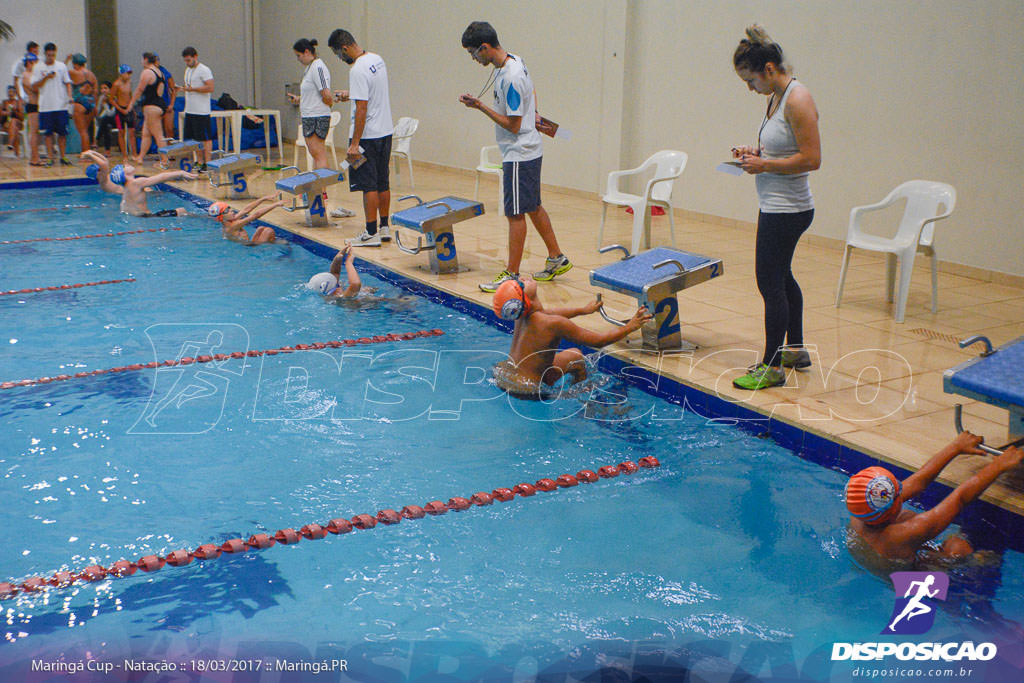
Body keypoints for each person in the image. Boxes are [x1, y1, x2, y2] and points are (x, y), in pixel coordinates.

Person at [730, 25, 821, 390]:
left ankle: (771, 367)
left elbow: (812, 158)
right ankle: (794, 349)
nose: (750, 89)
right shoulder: (776, 97)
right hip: (777, 203)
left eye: (751, 80)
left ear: (769, 68)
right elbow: (787, 148)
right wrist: (757, 154)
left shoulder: (798, 98)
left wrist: (765, 165)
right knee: (782, 277)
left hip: (788, 208)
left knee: (769, 283)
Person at [459, 21, 572, 293]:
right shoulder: (514, 60)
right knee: (533, 205)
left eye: (473, 53)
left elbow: (512, 124)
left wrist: (479, 106)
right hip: (530, 149)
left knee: (515, 213)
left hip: (519, 153)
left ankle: (512, 274)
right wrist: (534, 111)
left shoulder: (510, 77)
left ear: (485, 48)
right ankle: (557, 258)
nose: (473, 59)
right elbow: (530, 91)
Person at [845, 431, 1023, 577]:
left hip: (878, 560)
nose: (902, 488)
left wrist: (956, 447)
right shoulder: (907, 532)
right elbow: (959, 499)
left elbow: (917, 483)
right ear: (891, 507)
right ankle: (973, 565)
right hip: (908, 578)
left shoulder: (861, 510)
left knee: (907, 518)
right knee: (958, 548)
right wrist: (999, 465)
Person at [491, 278, 651, 393]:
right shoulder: (553, 324)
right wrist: (630, 326)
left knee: (571, 356)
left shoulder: (522, 316)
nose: (523, 278)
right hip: (530, 390)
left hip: (506, 379)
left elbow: (549, 313)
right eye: (521, 284)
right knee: (577, 358)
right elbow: (599, 341)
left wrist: (583, 310)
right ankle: (582, 397)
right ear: (526, 301)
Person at [328, 29, 393, 246]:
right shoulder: (377, 59)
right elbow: (372, 93)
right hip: (385, 131)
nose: (340, 59)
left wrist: (355, 143)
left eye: (338, 54)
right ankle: (384, 228)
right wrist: (350, 94)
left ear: (344, 48)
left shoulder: (356, 70)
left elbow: (362, 108)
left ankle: (370, 232)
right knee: (383, 182)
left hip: (367, 137)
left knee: (368, 185)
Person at [285, 39, 351, 218]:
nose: (298, 59)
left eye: (298, 55)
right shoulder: (309, 69)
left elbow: (326, 93)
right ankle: (316, 188)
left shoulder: (318, 67)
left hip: (317, 117)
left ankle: (322, 192)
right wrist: (299, 100)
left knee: (319, 154)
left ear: (307, 52)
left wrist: (330, 104)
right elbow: (313, 94)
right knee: (315, 154)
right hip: (310, 115)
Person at [81, 149, 195, 216]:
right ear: (124, 174)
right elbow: (162, 177)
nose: (127, 164)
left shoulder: (126, 186)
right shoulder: (135, 183)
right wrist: (180, 173)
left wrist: (92, 152)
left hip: (138, 216)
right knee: (182, 211)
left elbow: (105, 162)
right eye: (124, 167)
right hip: (147, 217)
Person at [34, 43, 73, 166]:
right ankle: (50, 158)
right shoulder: (38, 67)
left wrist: (69, 96)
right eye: (49, 55)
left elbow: (67, 83)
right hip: (46, 106)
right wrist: (46, 78)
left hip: (61, 105)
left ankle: (63, 156)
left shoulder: (61, 66)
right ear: (45, 54)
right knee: (48, 134)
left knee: (62, 133)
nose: (51, 57)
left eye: (53, 55)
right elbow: (35, 86)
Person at [128, 52, 170, 168]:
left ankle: (165, 161)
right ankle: (140, 157)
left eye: (142, 60)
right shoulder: (159, 72)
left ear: (146, 60)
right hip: (158, 104)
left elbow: (140, 89)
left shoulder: (147, 72)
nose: (141, 62)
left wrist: (131, 103)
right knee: (146, 133)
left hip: (152, 106)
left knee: (158, 135)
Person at [177, 47, 214, 170]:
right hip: (190, 109)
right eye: (185, 61)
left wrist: (193, 89)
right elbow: (190, 86)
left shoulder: (204, 70)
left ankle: (208, 163)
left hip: (201, 111)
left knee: (205, 138)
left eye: (189, 60)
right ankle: (199, 161)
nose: (187, 63)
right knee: (194, 138)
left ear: (195, 57)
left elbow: (210, 87)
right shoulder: (188, 70)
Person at [207, 195, 282, 245]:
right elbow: (255, 215)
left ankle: (273, 242)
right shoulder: (232, 226)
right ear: (221, 217)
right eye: (227, 211)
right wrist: (275, 205)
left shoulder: (229, 220)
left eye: (229, 208)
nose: (231, 211)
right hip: (250, 248)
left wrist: (263, 199)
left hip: (250, 243)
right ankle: (277, 244)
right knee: (268, 231)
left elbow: (246, 210)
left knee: (261, 228)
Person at [66, 53, 98, 151]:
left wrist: (66, 60)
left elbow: (60, 72)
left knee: (82, 132)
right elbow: (96, 92)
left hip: (79, 104)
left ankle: (85, 154)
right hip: (91, 104)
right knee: (86, 132)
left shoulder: (74, 73)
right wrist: (94, 106)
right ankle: (87, 153)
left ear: (75, 63)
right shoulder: (92, 75)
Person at [110, 64, 136, 160]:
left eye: (129, 74)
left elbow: (131, 96)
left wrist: (131, 109)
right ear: (121, 74)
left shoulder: (129, 82)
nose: (128, 76)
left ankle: (134, 154)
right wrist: (120, 109)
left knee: (132, 132)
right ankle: (124, 155)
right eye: (127, 73)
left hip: (129, 109)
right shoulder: (116, 84)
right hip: (120, 110)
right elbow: (111, 99)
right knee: (121, 133)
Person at [20, 53, 42, 166]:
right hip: (32, 106)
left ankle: (35, 156)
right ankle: (34, 158)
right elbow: (34, 89)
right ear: (29, 62)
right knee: (33, 132)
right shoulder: (26, 75)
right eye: (35, 62)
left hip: (38, 106)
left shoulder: (33, 74)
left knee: (36, 133)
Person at [152, 54, 176, 140]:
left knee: (169, 129)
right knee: (157, 130)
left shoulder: (165, 73)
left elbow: (173, 90)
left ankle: (170, 151)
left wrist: (171, 104)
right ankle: (161, 150)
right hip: (154, 105)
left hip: (166, 104)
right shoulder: (148, 73)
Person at [94, 82, 117, 153]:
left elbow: (111, 113)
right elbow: (97, 112)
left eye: (105, 88)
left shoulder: (114, 98)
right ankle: (107, 151)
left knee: (105, 119)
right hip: (104, 121)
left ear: (110, 89)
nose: (103, 90)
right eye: (102, 88)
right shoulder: (101, 98)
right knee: (105, 125)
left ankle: (96, 140)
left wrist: (105, 105)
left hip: (116, 120)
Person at [1, 86, 22, 157]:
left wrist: (14, 111)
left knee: (13, 121)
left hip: (17, 122)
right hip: (7, 124)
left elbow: (21, 117)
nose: (10, 94)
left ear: (15, 93)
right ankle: (17, 153)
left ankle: (10, 143)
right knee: (14, 129)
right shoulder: (4, 102)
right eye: (9, 92)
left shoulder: (18, 102)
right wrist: (5, 113)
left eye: (11, 92)